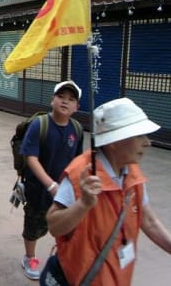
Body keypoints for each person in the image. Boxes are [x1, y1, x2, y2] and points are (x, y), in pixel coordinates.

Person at [42, 97, 171, 286]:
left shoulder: (133, 172)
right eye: (139, 136)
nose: (147, 143)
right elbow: (54, 225)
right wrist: (83, 205)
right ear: (114, 142)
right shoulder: (82, 174)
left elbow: (149, 221)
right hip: (82, 279)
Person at [20, 81, 83, 280]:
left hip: (65, 190)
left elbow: (77, 161)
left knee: (66, 225)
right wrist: (50, 184)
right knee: (34, 224)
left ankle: (63, 259)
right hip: (39, 188)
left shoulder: (77, 129)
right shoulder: (40, 124)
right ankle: (29, 257)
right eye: (61, 97)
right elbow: (31, 158)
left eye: (71, 99)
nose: (65, 101)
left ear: (77, 107)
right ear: (52, 100)